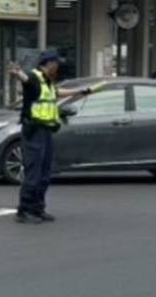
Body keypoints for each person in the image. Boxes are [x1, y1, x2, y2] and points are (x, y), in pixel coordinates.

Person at [9, 50, 93, 224]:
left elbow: (57, 92)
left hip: (46, 131)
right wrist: (17, 74)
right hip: (34, 131)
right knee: (33, 172)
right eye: (56, 62)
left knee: (45, 172)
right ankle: (24, 211)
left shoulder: (47, 81)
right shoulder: (33, 77)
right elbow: (25, 80)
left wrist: (80, 92)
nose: (58, 66)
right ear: (48, 63)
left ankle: (38, 208)